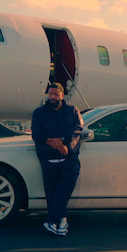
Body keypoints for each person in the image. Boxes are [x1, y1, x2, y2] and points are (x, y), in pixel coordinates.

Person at [31, 83, 83, 236]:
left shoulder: (72, 111)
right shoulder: (39, 112)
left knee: (64, 189)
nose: (52, 97)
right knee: (52, 192)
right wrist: (51, 141)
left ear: (62, 95)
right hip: (48, 157)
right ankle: (61, 221)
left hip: (69, 157)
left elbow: (77, 128)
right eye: (50, 94)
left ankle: (52, 221)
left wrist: (62, 140)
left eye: (55, 94)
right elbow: (36, 133)